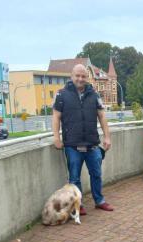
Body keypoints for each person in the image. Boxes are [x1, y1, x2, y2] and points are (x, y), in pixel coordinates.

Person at [52, 64, 113, 213]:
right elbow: (56, 117)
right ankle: (79, 205)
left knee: (96, 174)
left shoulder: (94, 94)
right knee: (74, 178)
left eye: (83, 76)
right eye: (77, 76)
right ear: (71, 76)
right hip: (72, 145)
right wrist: (56, 137)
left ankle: (99, 200)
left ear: (87, 77)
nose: (80, 79)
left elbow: (102, 116)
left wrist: (107, 136)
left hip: (92, 144)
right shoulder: (61, 95)